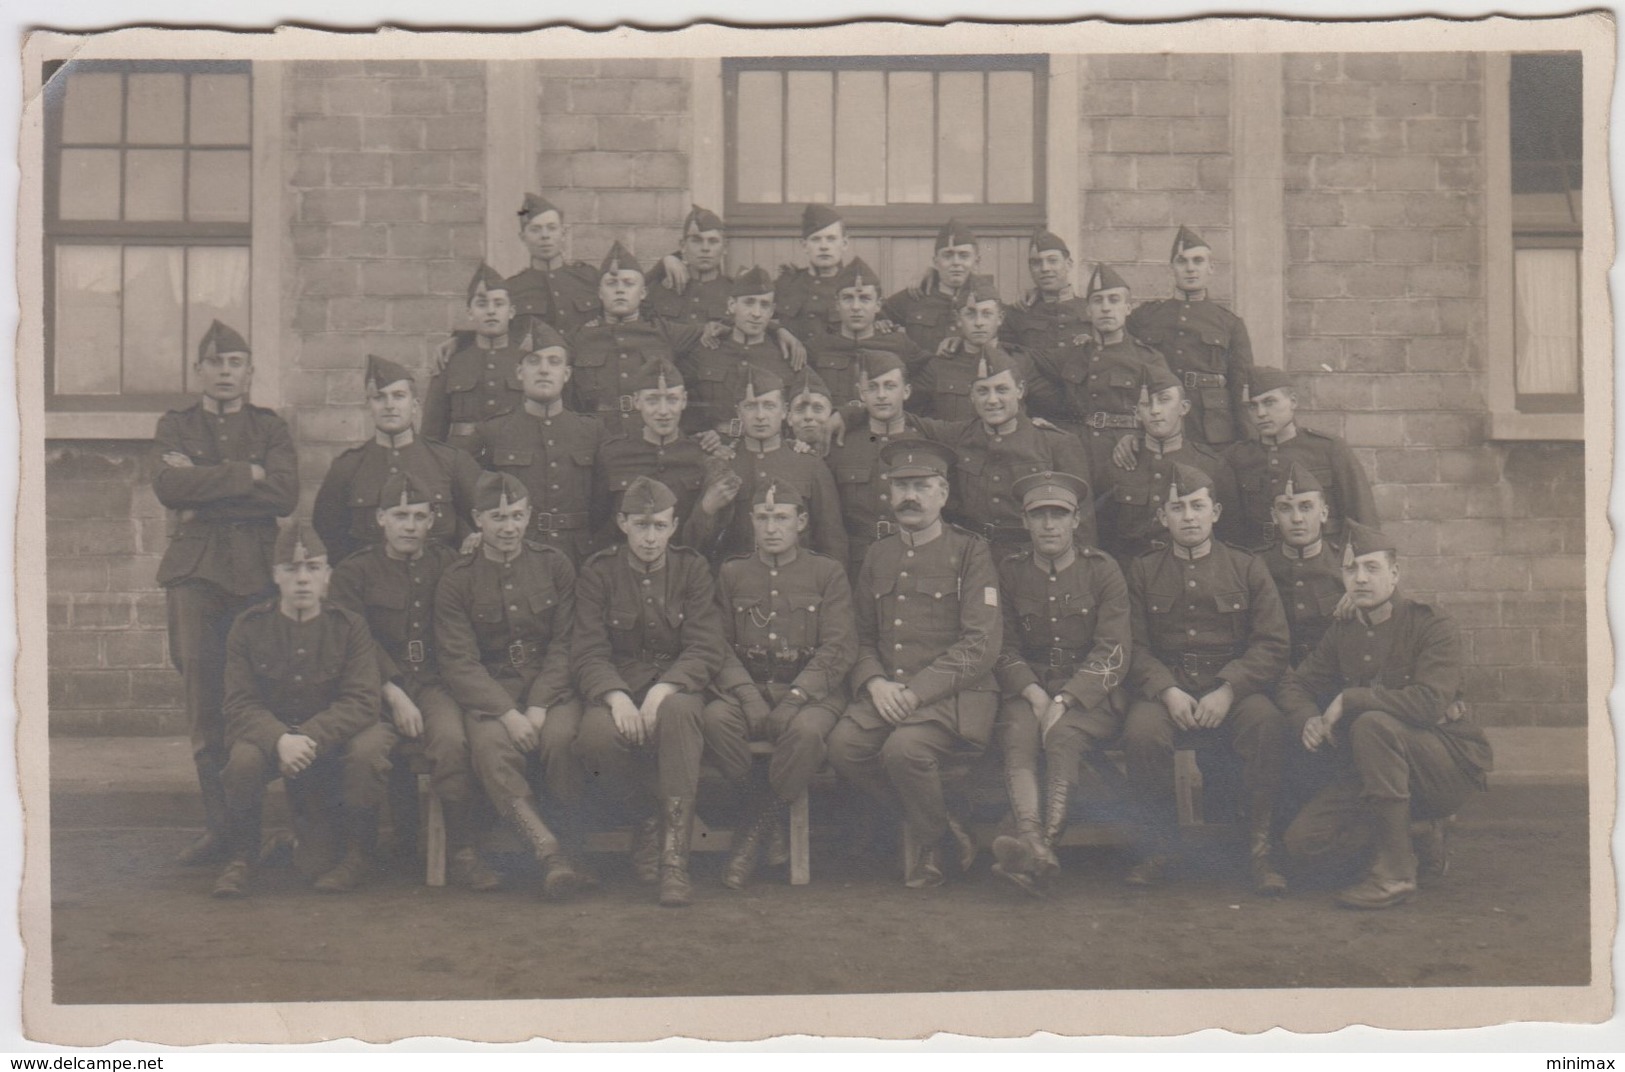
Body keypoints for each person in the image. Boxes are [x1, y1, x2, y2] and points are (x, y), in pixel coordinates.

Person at [1279, 521, 1492, 909]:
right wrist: (1307, 718)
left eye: (1372, 568)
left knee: (1371, 724)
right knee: (1303, 847)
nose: (1360, 578)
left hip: (1442, 766)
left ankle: (1396, 874)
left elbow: (1429, 702)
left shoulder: (1430, 623)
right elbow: (1296, 684)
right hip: (1373, 773)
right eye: (1350, 569)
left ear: (1395, 574)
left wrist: (1351, 698)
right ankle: (1417, 833)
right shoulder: (1344, 631)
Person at [153, 319, 299, 866]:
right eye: (214, 363)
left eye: (235, 363)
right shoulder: (174, 425)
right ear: (198, 371)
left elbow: (284, 495)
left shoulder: (270, 427)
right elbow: (169, 487)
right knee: (204, 702)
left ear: (250, 372)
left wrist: (208, 479)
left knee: (265, 696)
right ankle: (224, 831)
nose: (224, 373)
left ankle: (259, 826)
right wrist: (247, 475)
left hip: (258, 575)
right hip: (195, 573)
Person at [827, 439, 1002, 889]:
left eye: (922, 486)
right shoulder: (878, 554)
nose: (911, 496)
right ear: (888, 493)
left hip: (953, 695)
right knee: (844, 746)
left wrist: (916, 691)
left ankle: (930, 847)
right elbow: (860, 636)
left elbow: (980, 644)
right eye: (901, 485)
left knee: (903, 751)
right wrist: (875, 683)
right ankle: (943, 823)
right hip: (889, 693)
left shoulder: (970, 552)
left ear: (943, 493)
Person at [1121, 462, 1290, 894]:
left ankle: (1259, 850)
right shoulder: (1142, 571)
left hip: (1232, 687)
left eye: (1197, 506)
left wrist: (1229, 689)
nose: (1189, 517)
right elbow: (1133, 646)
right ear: (1163, 518)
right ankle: (1158, 848)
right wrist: (1167, 691)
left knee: (1265, 723)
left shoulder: (1246, 567)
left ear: (1215, 512)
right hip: (1168, 687)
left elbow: (1272, 642)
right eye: (1177, 508)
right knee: (1142, 732)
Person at [328, 474, 497, 890]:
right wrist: (393, 691)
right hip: (374, 687)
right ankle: (358, 854)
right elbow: (355, 641)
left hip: (435, 683)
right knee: (365, 751)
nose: (409, 525)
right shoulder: (355, 572)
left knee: (453, 742)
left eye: (419, 517)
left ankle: (463, 852)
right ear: (381, 518)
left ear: (432, 521)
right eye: (400, 515)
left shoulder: (449, 565)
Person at [573, 476, 728, 907]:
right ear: (622, 523)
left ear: (674, 525)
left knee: (679, 717)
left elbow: (704, 645)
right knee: (596, 738)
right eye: (641, 525)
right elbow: (587, 650)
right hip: (617, 684)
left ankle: (674, 859)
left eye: (660, 526)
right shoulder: (599, 572)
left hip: (677, 684)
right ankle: (645, 818)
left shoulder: (691, 568)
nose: (650, 536)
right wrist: (616, 696)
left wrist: (664, 689)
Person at [434, 471, 589, 900]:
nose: (508, 527)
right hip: (491, 690)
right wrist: (506, 712)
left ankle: (574, 847)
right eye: (498, 517)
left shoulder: (554, 564)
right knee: (490, 747)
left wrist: (538, 705)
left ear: (529, 516)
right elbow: (459, 661)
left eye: (517, 516)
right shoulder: (458, 579)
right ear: (477, 519)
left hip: (549, 686)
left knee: (562, 739)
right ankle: (548, 853)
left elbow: (567, 643)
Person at [213, 521, 385, 897]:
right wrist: (279, 739)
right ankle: (241, 856)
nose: (302, 579)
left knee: (368, 753)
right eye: (292, 570)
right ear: (276, 575)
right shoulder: (248, 627)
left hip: (329, 744)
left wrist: (307, 738)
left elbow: (363, 700)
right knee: (242, 760)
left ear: (327, 576)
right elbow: (239, 703)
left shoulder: (349, 626)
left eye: (313, 568)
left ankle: (357, 857)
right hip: (272, 741)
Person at [701, 480, 857, 889]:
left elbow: (839, 646)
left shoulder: (827, 573)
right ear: (751, 521)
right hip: (747, 687)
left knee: (805, 733)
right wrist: (748, 695)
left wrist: (796, 697)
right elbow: (716, 643)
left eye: (782, 518)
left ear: (801, 522)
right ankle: (765, 816)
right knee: (716, 720)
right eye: (763, 518)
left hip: (812, 692)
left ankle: (752, 833)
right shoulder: (732, 573)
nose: (772, 527)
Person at [989, 471, 1129, 897]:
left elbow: (1114, 650)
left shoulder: (1102, 571)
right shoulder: (1010, 572)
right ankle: (1033, 843)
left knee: (1063, 736)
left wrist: (1067, 698)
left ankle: (1042, 846)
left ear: (1076, 521)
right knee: (1018, 734)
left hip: (1090, 694)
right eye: (1039, 515)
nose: (1049, 524)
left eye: (1059, 515)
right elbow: (1001, 644)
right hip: (1027, 687)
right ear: (1025, 521)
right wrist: (1033, 693)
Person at [914, 349, 1092, 560]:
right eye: (982, 391)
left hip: (1032, 559)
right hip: (973, 556)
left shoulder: (1057, 443)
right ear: (971, 395)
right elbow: (902, 419)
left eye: (1001, 389)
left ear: (1020, 390)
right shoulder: (958, 435)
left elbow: (1082, 524)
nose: (992, 400)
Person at [313, 354, 481, 565]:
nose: (389, 405)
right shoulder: (347, 467)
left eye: (399, 396)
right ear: (369, 407)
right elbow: (330, 534)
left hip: (440, 583)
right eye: (379, 397)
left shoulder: (450, 461)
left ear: (414, 405)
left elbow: (481, 519)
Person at [466, 324, 605, 564]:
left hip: (578, 556)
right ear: (519, 372)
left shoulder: (592, 431)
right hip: (516, 553)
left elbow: (605, 502)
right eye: (534, 361)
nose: (543, 370)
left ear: (567, 374)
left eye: (554, 362)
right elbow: (467, 495)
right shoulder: (492, 432)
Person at [684, 366, 847, 567]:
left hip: (799, 586)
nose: (760, 416)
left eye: (769, 406)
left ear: (784, 411)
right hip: (737, 585)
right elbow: (694, 547)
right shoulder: (723, 465)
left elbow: (832, 542)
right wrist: (706, 510)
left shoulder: (810, 465)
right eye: (751, 406)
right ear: (738, 412)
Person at [1028, 263, 1173, 475]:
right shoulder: (1072, 355)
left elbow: (1172, 410)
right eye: (1098, 301)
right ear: (1088, 311)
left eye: (1114, 300)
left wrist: (1139, 437)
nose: (1105, 308)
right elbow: (1020, 360)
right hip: (1078, 454)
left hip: (1128, 456)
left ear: (1128, 308)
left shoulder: (1148, 359)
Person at [1097, 361, 1240, 562]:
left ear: (1184, 407)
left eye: (1164, 400)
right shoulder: (1120, 462)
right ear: (1137, 412)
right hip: (1130, 576)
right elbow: (1102, 535)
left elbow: (1230, 535)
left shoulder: (1212, 466)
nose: (1155, 410)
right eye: (1146, 404)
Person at [1225, 366, 1379, 552]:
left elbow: (1362, 517)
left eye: (1269, 402)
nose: (1261, 413)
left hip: (1325, 561)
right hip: (1263, 563)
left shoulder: (1329, 449)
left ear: (1293, 402)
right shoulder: (1237, 458)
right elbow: (1230, 528)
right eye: (1252, 406)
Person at [1126, 225, 1254, 447]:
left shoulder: (1229, 323)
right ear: (1172, 268)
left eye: (1198, 261)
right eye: (1182, 261)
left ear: (1211, 268)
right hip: (1158, 422)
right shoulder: (1144, 317)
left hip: (1211, 428)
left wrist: (1249, 440)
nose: (1190, 268)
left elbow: (1241, 385)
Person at [822, 350, 931, 579]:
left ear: (907, 391)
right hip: (856, 563)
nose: (881, 395)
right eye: (872, 388)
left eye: (890, 386)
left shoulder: (926, 442)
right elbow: (829, 523)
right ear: (861, 394)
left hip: (915, 560)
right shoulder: (841, 445)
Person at [592, 357, 719, 550]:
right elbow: (597, 522)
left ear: (684, 400)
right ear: (636, 401)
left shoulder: (701, 454)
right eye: (652, 400)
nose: (663, 411)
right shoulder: (612, 455)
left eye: (672, 400)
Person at [422, 265, 530, 453]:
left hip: (514, 457)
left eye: (498, 304)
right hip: (462, 459)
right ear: (469, 312)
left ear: (511, 312)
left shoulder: (526, 360)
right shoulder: (451, 359)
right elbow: (432, 429)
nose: (491, 311)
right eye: (482, 304)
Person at [680, 265, 797, 436]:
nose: (756, 313)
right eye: (749, 303)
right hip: (716, 447)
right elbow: (683, 403)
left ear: (772, 311)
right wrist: (703, 435)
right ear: (732, 305)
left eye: (764, 305)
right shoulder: (707, 349)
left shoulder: (786, 353)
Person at [910, 275, 1042, 424]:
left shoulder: (1020, 361)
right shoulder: (939, 365)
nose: (979, 323)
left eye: (987, 314)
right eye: (970, 314)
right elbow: (909, 413)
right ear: (958, 319)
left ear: (1000, 318)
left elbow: (1055, 410)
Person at [804, 256, 924, 408]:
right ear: (837, 304)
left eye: (864, 298)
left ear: (878, 304)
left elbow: (932, 380)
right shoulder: (817, 347)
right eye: (848, 298)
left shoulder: (900, 344)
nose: (855, 307)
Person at [1262, 461, 1347, 670]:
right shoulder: (1258, 567)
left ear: (1324, 513)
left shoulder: (1348, 566)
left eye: (1306, 507)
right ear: (1274, 516)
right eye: (1285, 509)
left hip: (1333, 676)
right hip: (1277, 676)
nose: (1297, 518)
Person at [503, 192, 602, 337]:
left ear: (563, 233)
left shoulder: (590, 278)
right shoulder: (511, 288)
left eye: (552, 228)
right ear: (523, 237)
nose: (545, 236)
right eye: (535, 230)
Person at [883, 218, 982, 356]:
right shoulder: (916, 295)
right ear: (936, 262)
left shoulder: (986, 297)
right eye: (948, 255)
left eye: (964, 256)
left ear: (976, 262)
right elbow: (876, 314)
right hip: (923, 375)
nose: (956, 262)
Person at [1001, 227, 1091, 355]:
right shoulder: (1017, 314)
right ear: (1030, 269)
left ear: (1068, 264)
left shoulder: (1090, 309)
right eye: (1036, 263)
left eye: (1052, 261)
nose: (1045, 268)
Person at [645, 205, 735, 326]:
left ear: (725, 247)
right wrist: (661, 266)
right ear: (683, 246)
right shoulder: (660, 288)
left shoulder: (735, 291)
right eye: (696, 240)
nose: (705, 248)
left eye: (713, 241)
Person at [774, 203, 851, 342]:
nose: (823, 246)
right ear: (804, 245)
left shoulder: (855, 286)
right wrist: (777, 329)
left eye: (831, 239)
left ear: (844, 244)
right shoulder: (785, 283)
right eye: (816, 239)